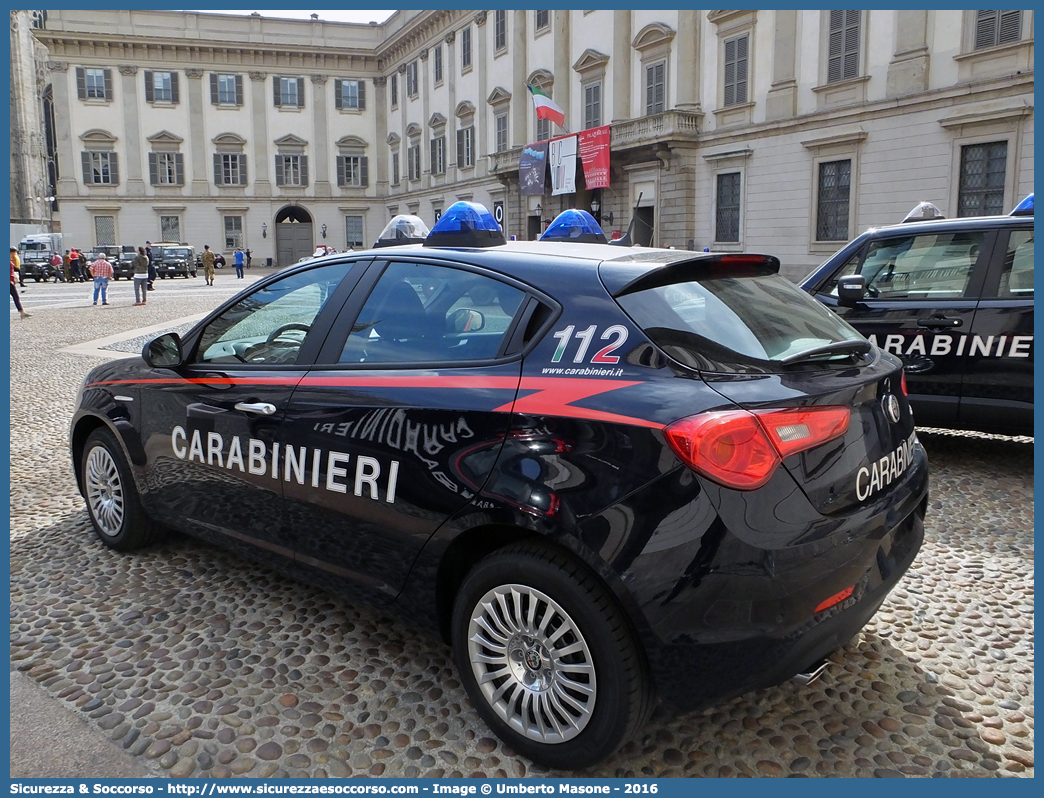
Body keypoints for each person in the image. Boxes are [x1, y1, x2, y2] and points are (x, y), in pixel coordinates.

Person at [10, 251, 29, 318]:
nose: (15, 254)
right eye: (14, 253)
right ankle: (22, 313)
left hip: (11, 282)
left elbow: (15, 268)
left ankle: (22, 312)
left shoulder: (10, 261)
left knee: (16, 297)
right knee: (16, 297)